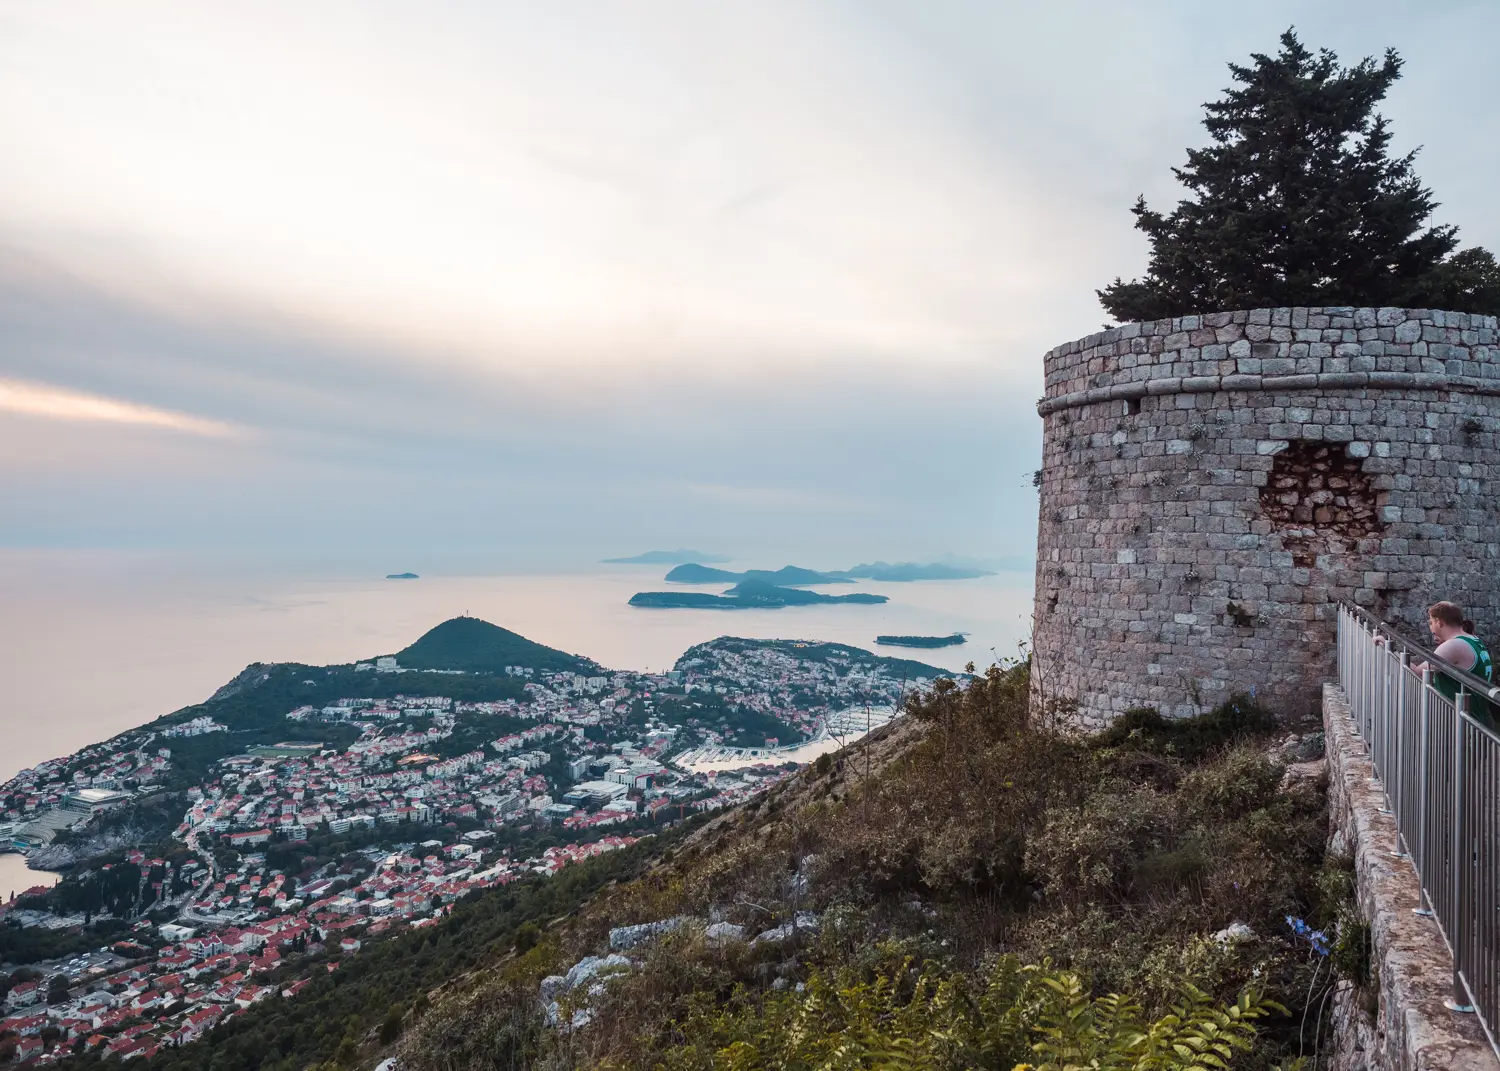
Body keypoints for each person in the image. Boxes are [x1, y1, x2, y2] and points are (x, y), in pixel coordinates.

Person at [1410, 601, 1494, 715]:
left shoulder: (1454, 645)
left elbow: (1417, 673)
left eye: (1431, 623)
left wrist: (1388, 646)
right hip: (1478, 716)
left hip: (1462, 721)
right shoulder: (1473, 639)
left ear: (1439, 622)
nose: (1430, 627)